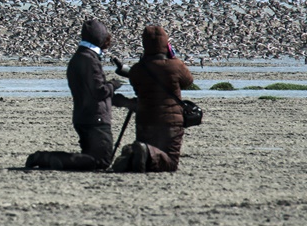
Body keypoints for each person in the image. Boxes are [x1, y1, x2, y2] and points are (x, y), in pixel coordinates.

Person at [25, 19, 126, 171]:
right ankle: (46, 158)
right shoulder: (89, 59)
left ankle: (47, 159)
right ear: (100, 38)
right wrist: (113, 84)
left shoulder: (80, 57)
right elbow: (99, 91)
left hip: (83, 116)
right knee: (101, 161)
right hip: (95, 118)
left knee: (92, 157)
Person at [110, 25, 194, 172]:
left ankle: (137, 152)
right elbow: (188, 82)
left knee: (149, 154)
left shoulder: (138, 69)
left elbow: (137, 89)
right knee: (171, 162)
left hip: (145, 119)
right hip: (170, 122)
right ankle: (144, 150)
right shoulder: (176, 65)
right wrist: (172, 57)